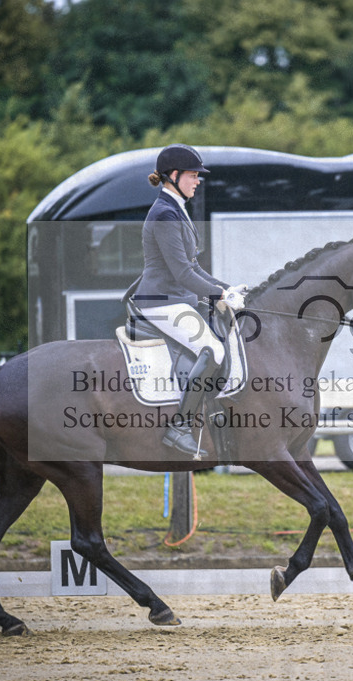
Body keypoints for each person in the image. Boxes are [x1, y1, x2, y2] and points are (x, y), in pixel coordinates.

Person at [132, 144, 246, 456]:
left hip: (175, 298)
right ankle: (180, 427)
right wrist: (221, 295)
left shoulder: (176, 209)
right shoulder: (165, 214)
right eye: (193, 175)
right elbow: (183, 273)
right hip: (160, 301)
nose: (198, 181)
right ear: (173, 176)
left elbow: (194, 267)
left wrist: (229, 288)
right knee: (212, 349)